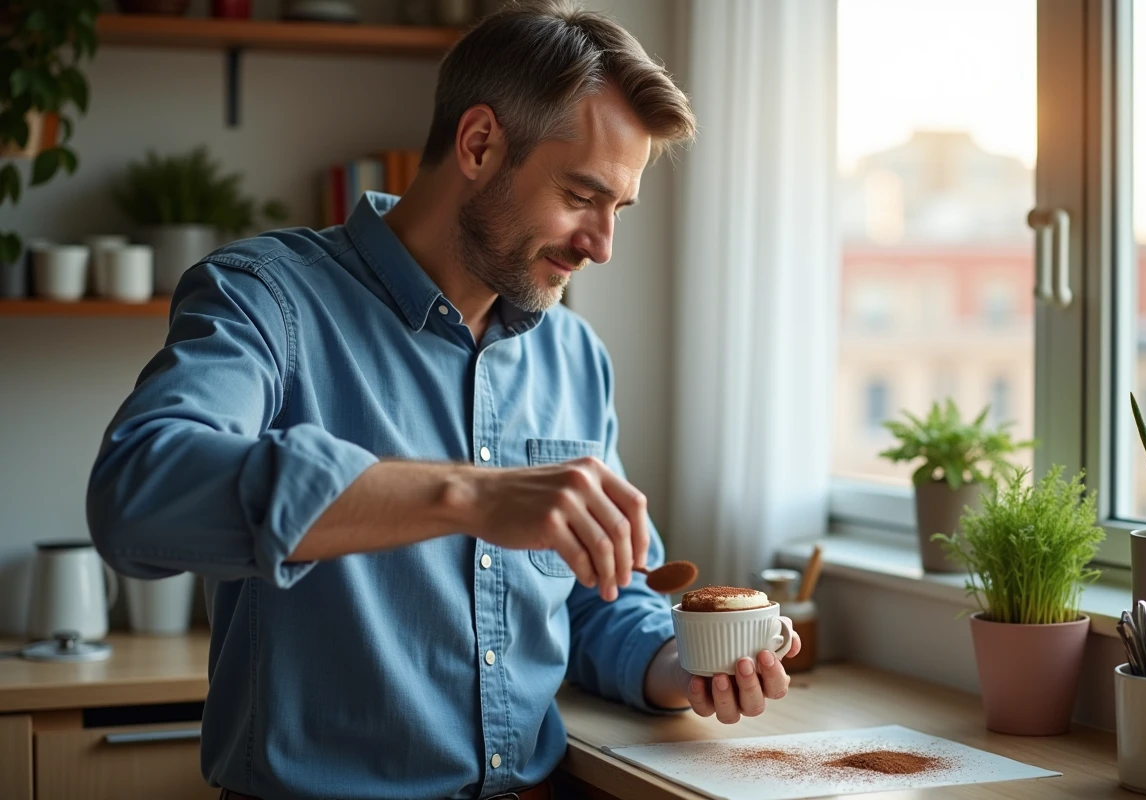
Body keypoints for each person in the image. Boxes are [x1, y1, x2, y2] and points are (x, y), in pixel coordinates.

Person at [87, 2, 801, 798]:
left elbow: (603, 602)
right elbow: (138, 492)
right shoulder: (267, 298)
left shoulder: (573, 357)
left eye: (617, 209)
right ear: (479, 143)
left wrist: (684, 668)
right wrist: (466, 495)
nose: (602, 245)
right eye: (580, 196)